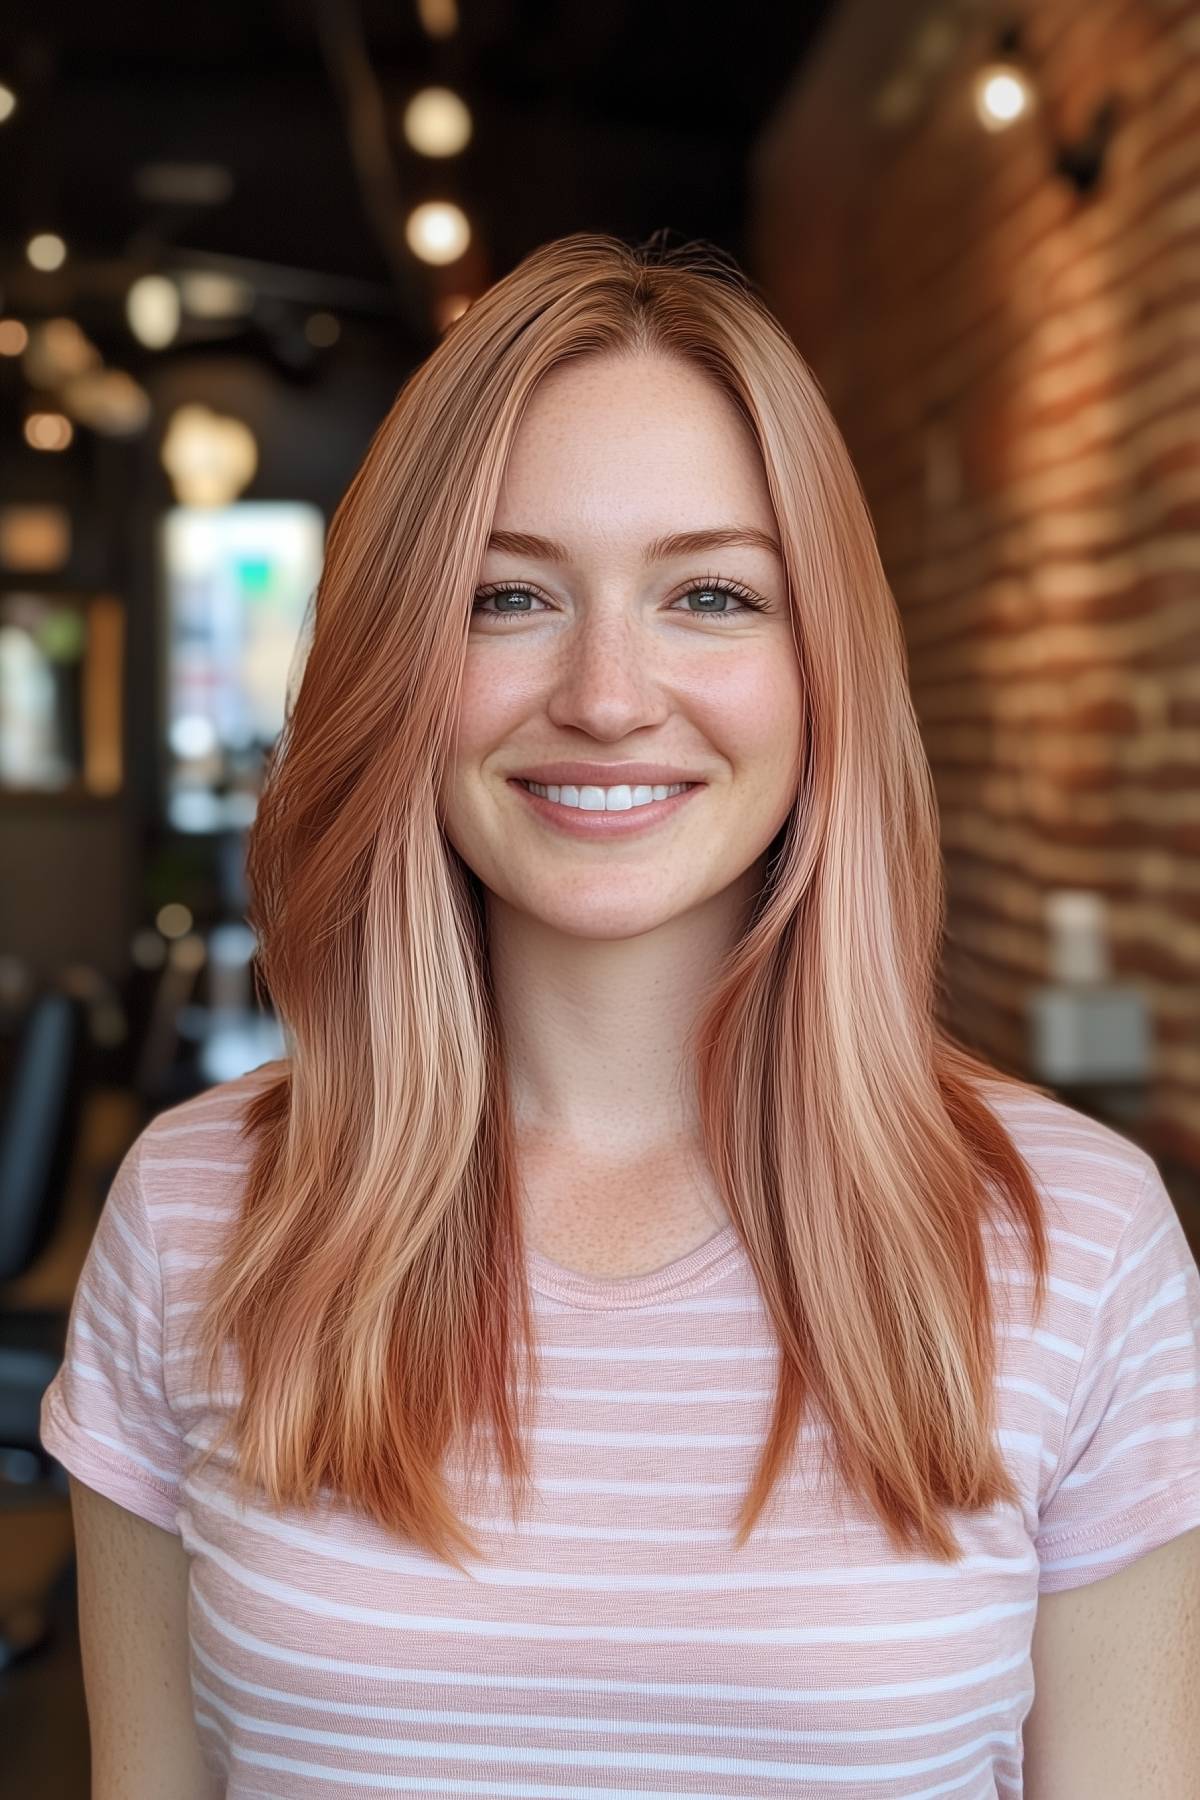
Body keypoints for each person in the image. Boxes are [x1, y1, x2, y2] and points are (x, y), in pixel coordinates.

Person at [41, 232, 1200, 1797]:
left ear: (823, 668)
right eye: (508, 595)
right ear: (398, 661)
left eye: (711, 594)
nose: (604, 692)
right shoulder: (196, 1213)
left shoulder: (1078, 1239)